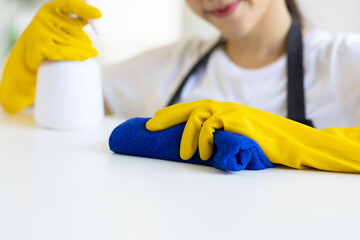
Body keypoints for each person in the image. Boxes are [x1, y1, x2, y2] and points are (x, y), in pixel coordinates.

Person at [1, 0, 360, 172]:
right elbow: (43, 110)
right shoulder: (170, 64)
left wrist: (280, 138)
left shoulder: (346, 60)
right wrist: (37, 65)